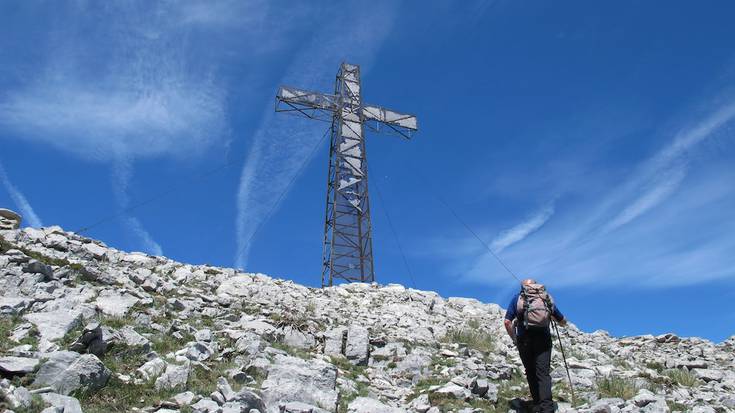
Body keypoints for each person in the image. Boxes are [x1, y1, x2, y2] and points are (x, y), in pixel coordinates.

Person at [504, 279, 567, 413]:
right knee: (543, 373)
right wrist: (560, 321)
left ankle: (537, 404)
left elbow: (507, 322)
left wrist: (515, 339)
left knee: (531, 371)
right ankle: (547, 408)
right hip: (543, 339)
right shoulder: (545, 298)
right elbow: (561, 320)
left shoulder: (517, 298)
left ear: (523, 286)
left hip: (524, 339)